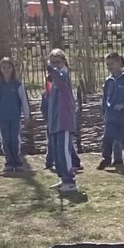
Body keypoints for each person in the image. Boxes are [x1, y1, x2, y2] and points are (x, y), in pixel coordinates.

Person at [45, 49, 80, 193]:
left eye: (58, 62)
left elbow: (59, 80)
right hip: (54, 120)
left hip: (64, 120)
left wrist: (50, 70)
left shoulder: (63, 75)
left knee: (64, 151)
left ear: (64, 62)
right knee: (58, 152)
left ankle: (70, 181)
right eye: (52, 63)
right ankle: (63, 178)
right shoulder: (52, 81)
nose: (55, 65)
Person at [0, 57, 30, 172]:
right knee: (5, 140)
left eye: (8, 67)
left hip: (15, 116)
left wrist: (26, 115)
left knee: (14, 139)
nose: (6, 70)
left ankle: (17, 161)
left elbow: (23, 100)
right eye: (4, 68)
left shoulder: (18, 84)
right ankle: (8, 161)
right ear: (0, 70)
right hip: (2, 116)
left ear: (13, 69)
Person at [99, 53, 124, 171]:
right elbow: (105, 98)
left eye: (112, 64)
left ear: (119, 63)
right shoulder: (108, 81)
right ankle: (106, 159)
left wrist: (123, 105)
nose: (109, 67)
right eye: (107, 64)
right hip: (111, 115)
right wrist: (104, 111)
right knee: (107, 138)